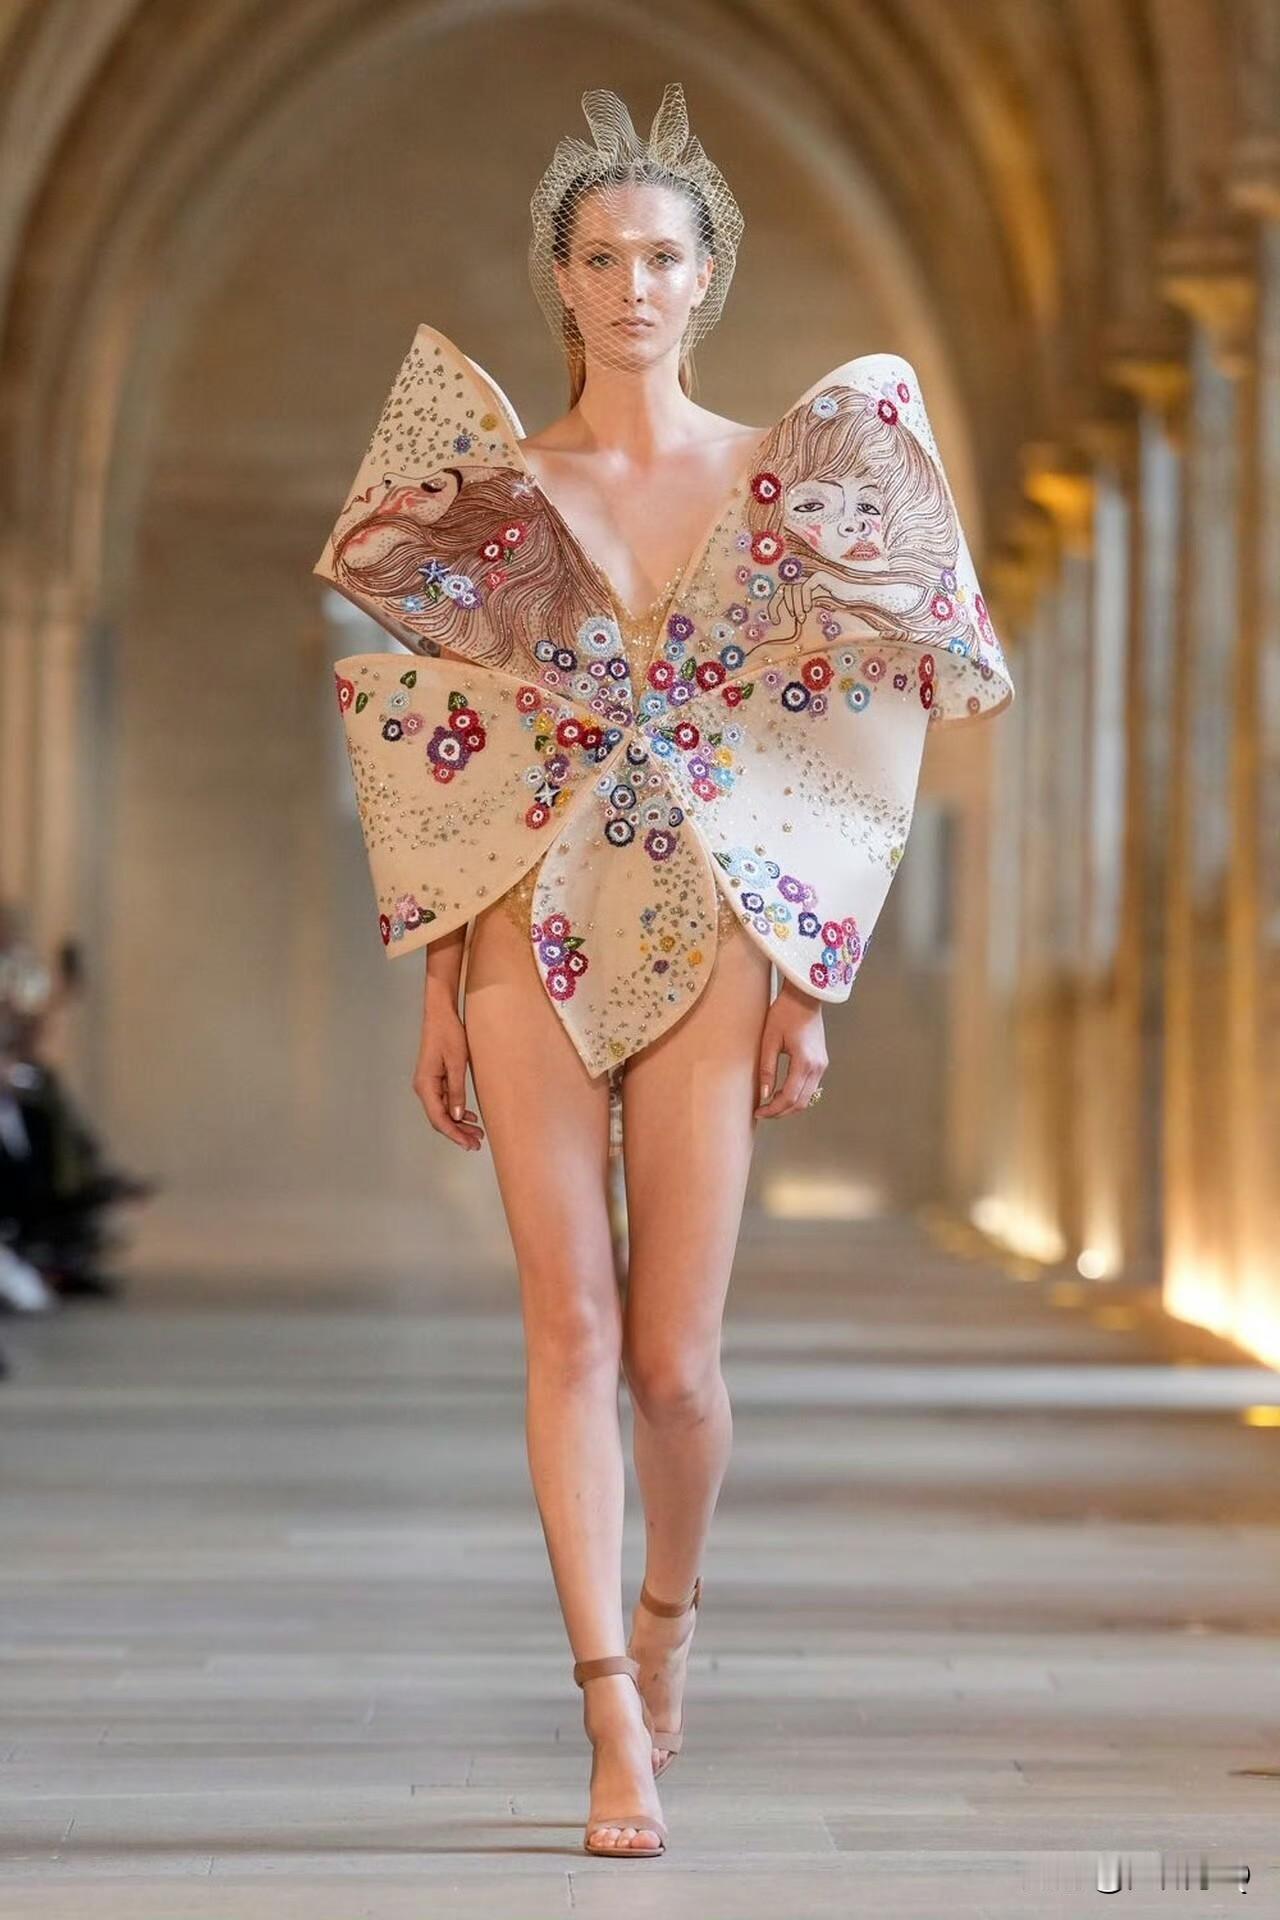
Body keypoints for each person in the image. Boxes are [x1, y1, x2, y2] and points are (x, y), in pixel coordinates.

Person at [315, 83, 1014, 1859]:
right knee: (566, 1325)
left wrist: (809, 981)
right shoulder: (498, 491)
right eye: (603, 257)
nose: (633, 286)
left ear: (710, 277)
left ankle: (673, 1611)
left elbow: (841, 720)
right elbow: (458, 744)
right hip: (520, 926)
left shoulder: (777, 476)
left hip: (715, 922)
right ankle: (608, 1714)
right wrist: (434, 986)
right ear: (559, 280)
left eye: (662, 258)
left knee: (674, 1365)